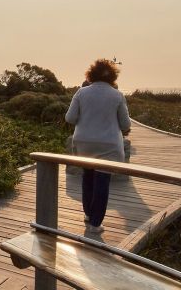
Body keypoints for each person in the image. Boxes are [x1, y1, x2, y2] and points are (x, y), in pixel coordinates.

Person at [64, 58, 131, 235]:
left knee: (87, 176)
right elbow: (125, 124)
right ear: (113, 76)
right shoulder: (117, 95)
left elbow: (70, 118)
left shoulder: (81, 93)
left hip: (84, 142)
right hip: (108, 144)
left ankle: (88, 215)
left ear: (91, 74)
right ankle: (95, 224)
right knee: (102, 180)